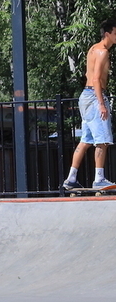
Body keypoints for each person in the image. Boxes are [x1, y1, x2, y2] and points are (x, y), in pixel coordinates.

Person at [63, 19, 116, 191]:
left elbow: (88, 73)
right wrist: (101, 104)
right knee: (102, 141)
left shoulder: (93, 48)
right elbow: (95, 79)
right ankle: (99, 179)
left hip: (85, 96)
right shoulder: (102, 52)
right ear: (108, 33)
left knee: (85, 140)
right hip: (94, 97)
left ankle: (71, 179)